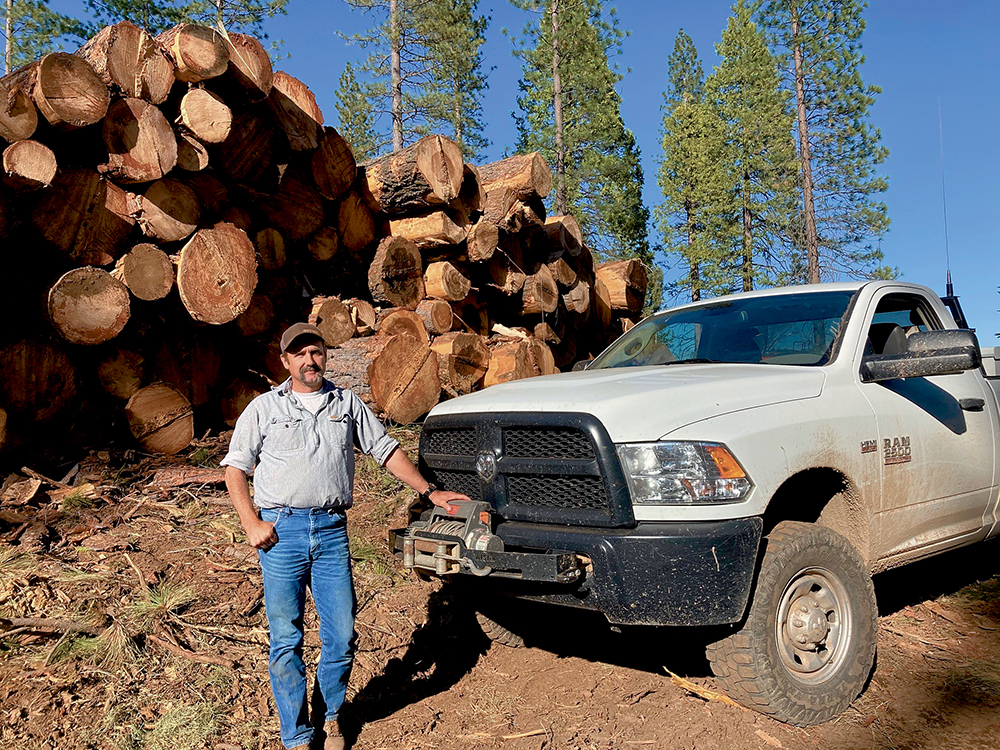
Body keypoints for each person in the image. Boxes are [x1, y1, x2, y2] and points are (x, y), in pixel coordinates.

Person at [221, 322, 469, 750]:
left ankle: (331, 713)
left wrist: (430, 490)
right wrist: (251, 523)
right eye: (299, 354)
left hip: (332, 531)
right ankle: (296, 734)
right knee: (286, 638)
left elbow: (385, 449)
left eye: (315, 351)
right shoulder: (263, 408)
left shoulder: (346, 403)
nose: (309, 360)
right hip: (282, 533)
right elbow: (235, 469)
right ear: (285, 361)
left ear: (325, 356)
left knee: (341, 634)